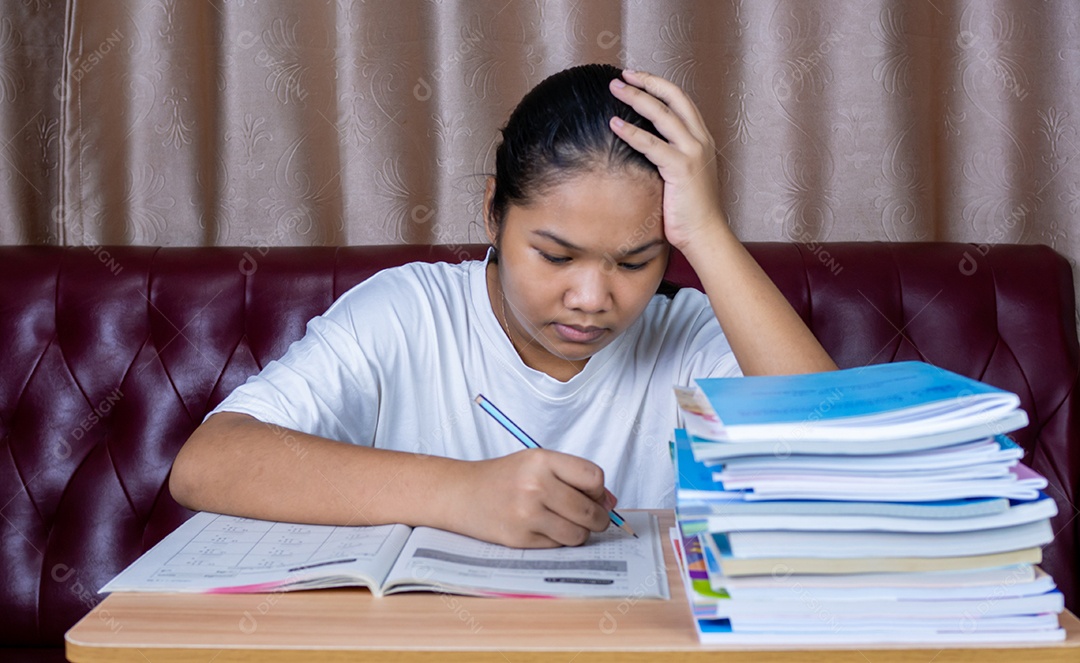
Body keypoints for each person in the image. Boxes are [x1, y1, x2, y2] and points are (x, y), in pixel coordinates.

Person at [169, 64, 836, 549]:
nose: (591, 298)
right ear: (492, 211)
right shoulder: (408, 313)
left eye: (636, 262)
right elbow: (207, 463)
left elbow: (839, 459)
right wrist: (461, 492)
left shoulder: (690, 334)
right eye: (554, 254)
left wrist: (709, 232)